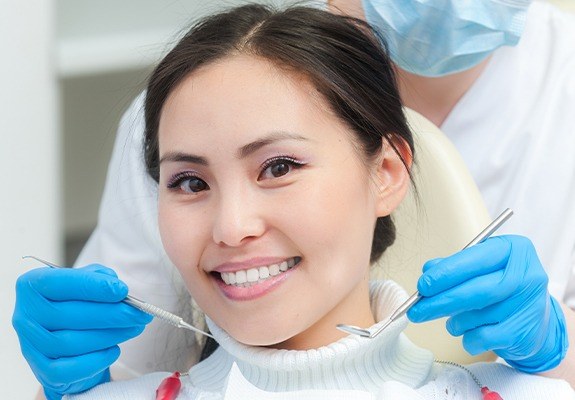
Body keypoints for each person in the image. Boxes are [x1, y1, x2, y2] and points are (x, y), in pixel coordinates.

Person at [11, 0, 575, 398]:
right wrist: (67, 383)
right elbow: (129, 356)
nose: (232, 226)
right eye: (189, 182)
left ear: (387, 171)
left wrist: (554, 347)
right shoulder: (201, 92)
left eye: (279, 167)